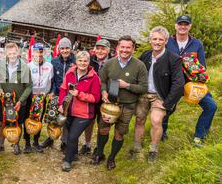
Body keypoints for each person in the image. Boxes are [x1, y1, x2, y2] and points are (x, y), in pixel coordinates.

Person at [92, 35, 148, 170]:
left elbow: (143, 87)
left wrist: (127, 86)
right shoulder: (109, 63)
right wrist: (104, 92)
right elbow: (102, 81)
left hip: (127, 105)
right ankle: (100, 153)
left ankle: (111, 158)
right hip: (110, 104)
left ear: (133, 49)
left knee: (119, 133)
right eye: (122, 47)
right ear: (117, 47)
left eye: (128, 47)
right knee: (103, 129)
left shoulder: (140, 66)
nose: (125, 50)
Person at [163, 15, 218, 146]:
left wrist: (201, 81)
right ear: (175, 25)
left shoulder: (197, 44)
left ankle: (199, 136)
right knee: (165, 107)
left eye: (186, 24)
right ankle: (161, 132)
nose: (183, 26)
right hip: (172, 82)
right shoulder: (166, 42)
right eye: (180, 24)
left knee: (211, 106)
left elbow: (202, 66)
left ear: (190, 26)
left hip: (191, 83)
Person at [132, 27, 184, 162]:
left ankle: (153, 149)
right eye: (154, 39)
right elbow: (134, 72)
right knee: (139, 119)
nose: (157, 42)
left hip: (160, 96)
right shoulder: (145, 55)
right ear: (150, 40)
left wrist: (167, 103)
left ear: (166, 41)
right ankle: (136, 146)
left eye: (160, 39)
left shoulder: (174, 59)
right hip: (143, 94)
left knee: (156, 120)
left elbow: (179, 84)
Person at [59, 51, 101, 171]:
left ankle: (67, 161)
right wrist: (62, 104)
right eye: (80, 60)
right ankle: (74, 153)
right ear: (76, 61)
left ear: (89, 62)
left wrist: (79, 94)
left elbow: (95, 98)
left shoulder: (94, 78)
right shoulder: (70, 72)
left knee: (72, 136)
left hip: (84, 113)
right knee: (70, 134)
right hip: (69, 110)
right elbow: (63, 89)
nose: (83, 63)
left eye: (85, 61)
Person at [0, 42, 32, 155]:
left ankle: (16, 144)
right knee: (1, 122)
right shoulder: (1, 65)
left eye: (14, 53)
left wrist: (21, 100)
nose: (12, 55)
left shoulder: (24, 67)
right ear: (6, 54)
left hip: (19, 102)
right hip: (5, 101)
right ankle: (0, 144)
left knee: (18, 123)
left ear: (18, 53)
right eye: (10, 53)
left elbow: (29, 87)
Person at [40, 37, 75, 151]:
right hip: (57, 92)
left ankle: (64, 142)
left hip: (70, 94)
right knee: (53, 116)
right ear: (59, 49)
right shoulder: (54, 61)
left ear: (71, 48)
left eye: (67, 48)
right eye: (62, 48)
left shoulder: (75, 61)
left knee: (66, 118)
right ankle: (51, 137)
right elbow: (53, 79)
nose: (65, 51)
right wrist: (52, 92)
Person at [81, 39, 113, 155]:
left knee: (103, 124)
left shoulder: (113, 63)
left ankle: (99, 149)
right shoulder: (90, 61)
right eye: (98, 48)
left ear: (108, 50)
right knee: (89, 121)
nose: (100, 51)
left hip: (105, 99)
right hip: (91, 97)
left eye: (103, 49)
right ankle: (87, 144)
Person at [24, 43, 53, 153]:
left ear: (44, 52)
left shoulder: (49, 66)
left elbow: (50, 82)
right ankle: (27, 143)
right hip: (30, 97)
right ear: (33, 53)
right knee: (28, 118)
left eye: (41, 52)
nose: (39, 54)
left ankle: (36, 142)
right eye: (36, 52)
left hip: (42, 97)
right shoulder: (28, 66)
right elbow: (26, 84)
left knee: (38, 119)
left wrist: (45, 93)